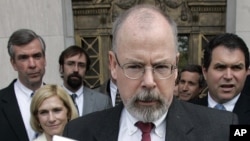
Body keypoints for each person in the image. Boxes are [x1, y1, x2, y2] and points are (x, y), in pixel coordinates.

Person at [63, 4, 238, 141]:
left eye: (161, 67)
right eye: (135, 67)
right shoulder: (76, 132)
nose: (148, 82)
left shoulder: (223, 129)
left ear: (175, 66)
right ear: (114, 65)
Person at [190, 33, 250, 124]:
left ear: (247, 72)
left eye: (236, 68)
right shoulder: (186, 113)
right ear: (205, 72)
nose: (228, 76)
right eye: (220, 67)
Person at [0, 29, 46, 141]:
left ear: (45, 59)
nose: (32, 64)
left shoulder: (62, 99)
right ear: (13, 63)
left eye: (37, 56)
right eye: (24, 58)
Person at [58, 45, 112, 116]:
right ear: (61, 68)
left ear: (86, 70)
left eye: (81, 65)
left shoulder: (102, 101)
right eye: (70, 64)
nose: (76, 70)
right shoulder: (51, 98)